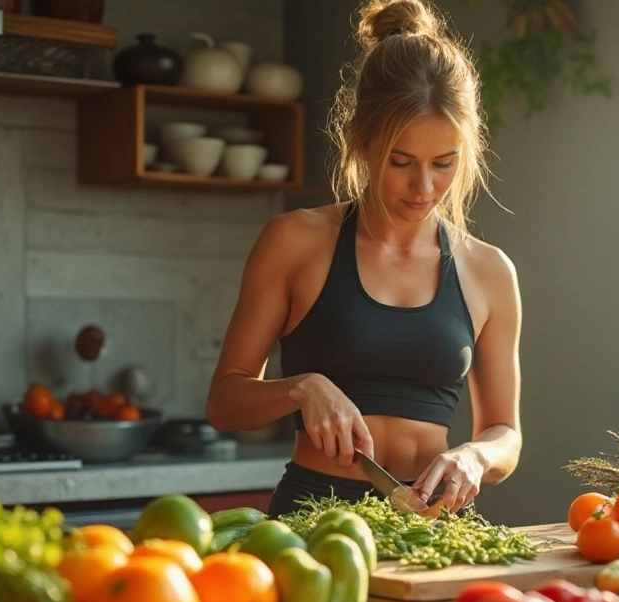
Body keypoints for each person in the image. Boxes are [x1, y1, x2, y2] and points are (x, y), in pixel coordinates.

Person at [205, 0, 522, 519]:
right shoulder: (294, 240)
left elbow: (505, 434)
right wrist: (302, 389)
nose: (424, 187)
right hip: (316, 518)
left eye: (444, 164)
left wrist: (475, 455)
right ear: (361, 143)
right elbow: (223, 404)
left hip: (436, 526)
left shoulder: (489, 270)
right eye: (402, 162)